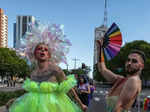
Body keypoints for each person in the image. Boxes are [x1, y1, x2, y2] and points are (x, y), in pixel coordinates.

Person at [9, 22, 87, 112]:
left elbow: (69, 89)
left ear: (49, 55)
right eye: (39, 49)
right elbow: (30, 93)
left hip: (54, 107)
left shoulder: (55, 69)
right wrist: (16, 100)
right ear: (34, 53)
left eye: (46, 50)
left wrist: (80, 104)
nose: (42, 50)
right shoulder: (33, 73)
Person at [97, 39, 145, 112]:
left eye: (134, 61)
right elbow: (102, 69)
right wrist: (100, 49)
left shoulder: (133, 80)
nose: (129, 63)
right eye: (128, 60)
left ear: (141, 66)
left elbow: (118, 108)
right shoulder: (122, 79)